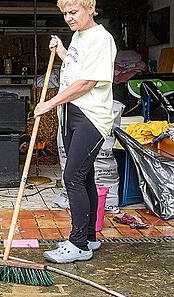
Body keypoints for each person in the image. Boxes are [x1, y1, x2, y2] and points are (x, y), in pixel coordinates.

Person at [34, 0, 117, 264]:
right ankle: (90, 236)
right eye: (65, 13)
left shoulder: (102, 39)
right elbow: (76, 67)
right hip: (71, 114)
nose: (69, 18)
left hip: (91, 117)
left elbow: (86, 82)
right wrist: (62, 50)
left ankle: (78, 244)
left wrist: (49, 102)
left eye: (74, 12)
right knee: (85, 176)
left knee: (72, 176)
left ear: (90, 8)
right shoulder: (80, 37)